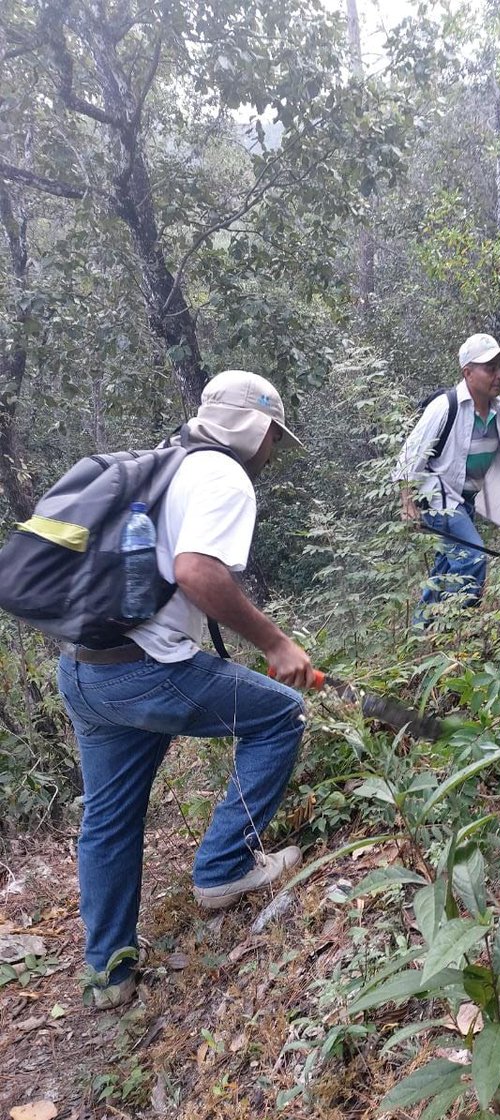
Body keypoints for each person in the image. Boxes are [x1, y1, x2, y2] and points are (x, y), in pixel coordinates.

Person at [57, 370, 316, 1010]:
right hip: (146, 672)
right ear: (257, 431)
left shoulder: (161, 463)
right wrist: (276, 645)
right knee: (280, 715)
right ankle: (224, 867)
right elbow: (196, 572)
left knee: (109, 817)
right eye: (274, 440)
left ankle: (108, 973)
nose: (272, 455)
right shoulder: (223, 476)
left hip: (84, 671)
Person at [394, 334, 500, 623]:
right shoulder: (445, 406)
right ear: (467, 372)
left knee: (444, 568)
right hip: (438, 497)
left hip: (465, 498)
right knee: (473, 559)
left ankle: (421, 629)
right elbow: (409, 455)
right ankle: (452, 627)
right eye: (490, 368)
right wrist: (408, 503)